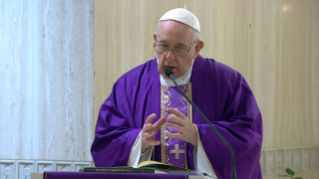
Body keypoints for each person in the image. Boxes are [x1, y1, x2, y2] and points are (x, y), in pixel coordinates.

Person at [91, 8, 263, 179]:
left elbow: (248, 134)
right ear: (155, 40)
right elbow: (106, 139)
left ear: (197, 48)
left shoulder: (227, 82)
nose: (169, 56)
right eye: (163, 46)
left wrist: (199, 136)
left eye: (179, 48)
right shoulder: (129, 85)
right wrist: (138, 142)